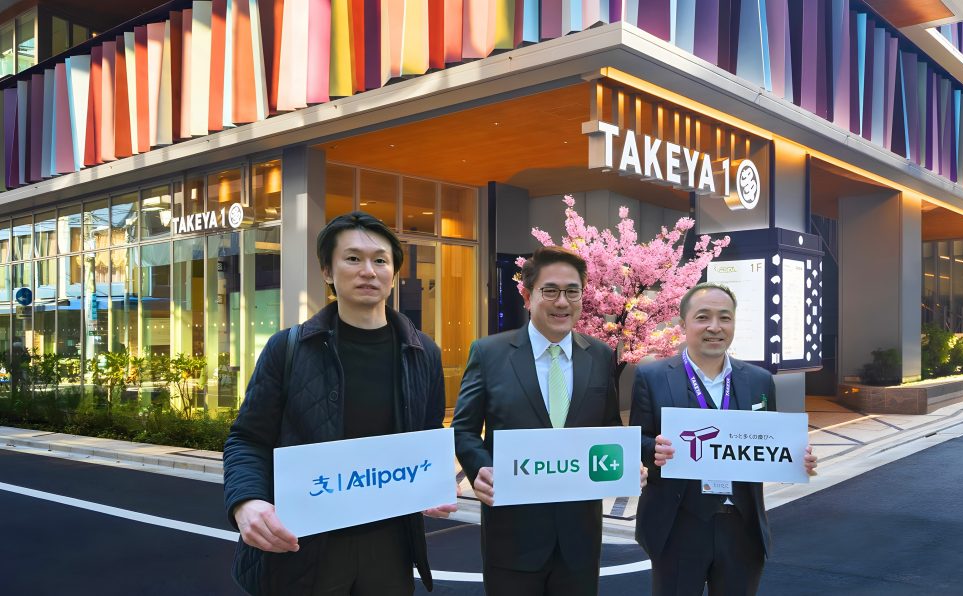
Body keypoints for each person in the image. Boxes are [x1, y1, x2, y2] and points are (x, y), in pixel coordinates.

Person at [223, 211, 455, 596]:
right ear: (327, 271)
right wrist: (246, 502)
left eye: (380, 260)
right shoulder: (288, 348)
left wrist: (433, 484)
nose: (368, 271)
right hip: (305, 545)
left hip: (390, 544)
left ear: (393, 273)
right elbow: (247, 439)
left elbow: (427, 435)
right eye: (352, 258)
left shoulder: (422, 352)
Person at [452, 246, 630, 596]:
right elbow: (464, 429)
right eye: (550, 290)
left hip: (580, 535)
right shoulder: (489, 353)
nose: (562, 302)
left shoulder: (600, 355)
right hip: (513, 531)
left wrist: (625, 460)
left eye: (572, 291)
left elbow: (609, 424)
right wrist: (480, 468)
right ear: (527, 296)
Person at [630, 282, 818, 596]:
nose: (715, 327)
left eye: (725, 318)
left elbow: (768, 443)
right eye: (703, 317)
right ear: (683, 324)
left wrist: (797, 458)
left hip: (741, 525)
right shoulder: (652, 376)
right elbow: (639, 439)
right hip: (677, 524)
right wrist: (654, 451)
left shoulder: (759, 380)